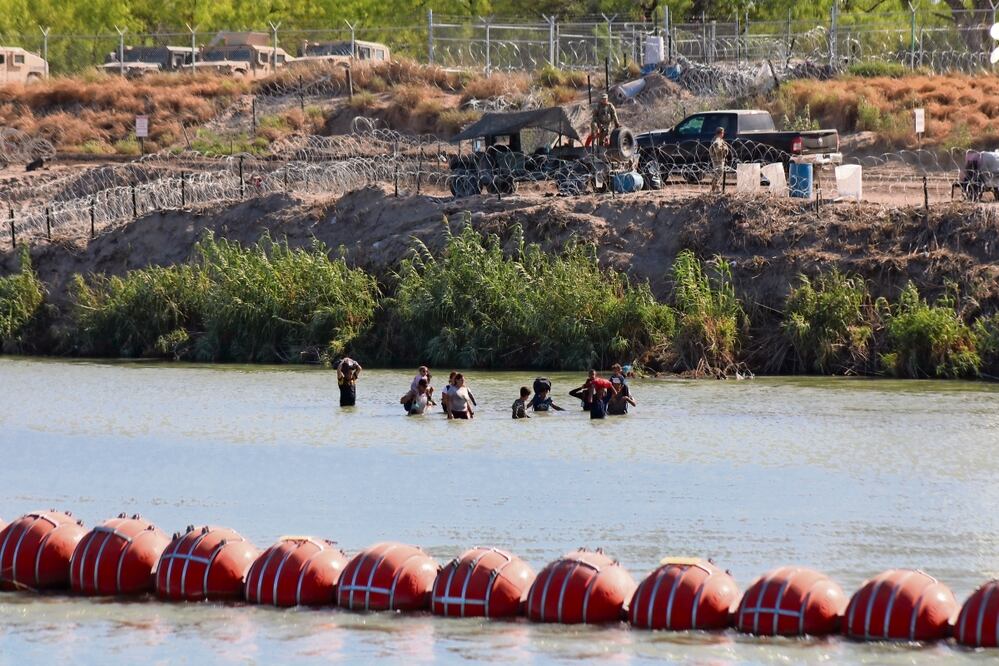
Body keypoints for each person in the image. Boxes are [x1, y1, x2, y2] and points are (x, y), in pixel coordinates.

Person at [709, 127, 730, 194]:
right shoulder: (717, 140)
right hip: (717, 159)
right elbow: (717, 149)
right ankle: (716, 188)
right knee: (719, 173)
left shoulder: (718, 139)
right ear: (721, 133)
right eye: (723, 133)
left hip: (718, 158)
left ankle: (713, 189)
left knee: (718, 173)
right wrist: (724, 149)